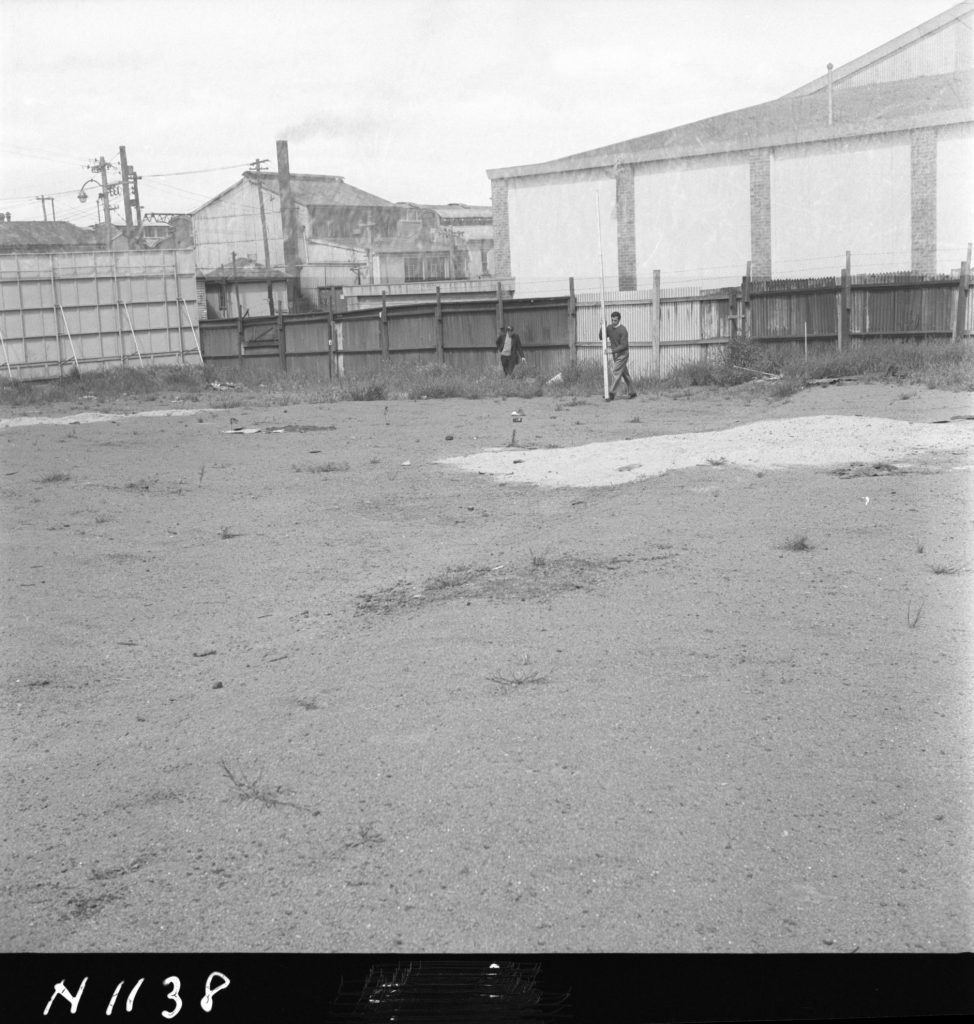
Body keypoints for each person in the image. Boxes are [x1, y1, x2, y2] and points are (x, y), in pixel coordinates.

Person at [602, 310, 637, 400]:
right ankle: (633, 392)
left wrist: (611, 351)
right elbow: (601, 337)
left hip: (623, 354)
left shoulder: (623, 330)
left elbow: (624, 345)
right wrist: (602, 326)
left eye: (615, 320)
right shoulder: (609, 328)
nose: (613, 322)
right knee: (625, 374)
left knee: (616, 371)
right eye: (612, 320)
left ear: (619, 320)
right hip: (616, 355)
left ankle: (611, 393)